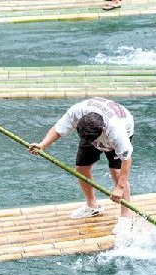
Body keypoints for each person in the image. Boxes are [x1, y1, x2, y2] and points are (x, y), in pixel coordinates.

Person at [28, 97, 134, 234]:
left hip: (121, 128)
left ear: (102, 130)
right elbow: (58, 129)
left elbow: (127, 159)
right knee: (81, 168)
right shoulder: (77, 112)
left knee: (117, 173)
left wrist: (119, 187)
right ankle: (92, 206)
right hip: (90, 133)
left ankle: (126, 217)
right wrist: (43, 145)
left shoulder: (117, 131)